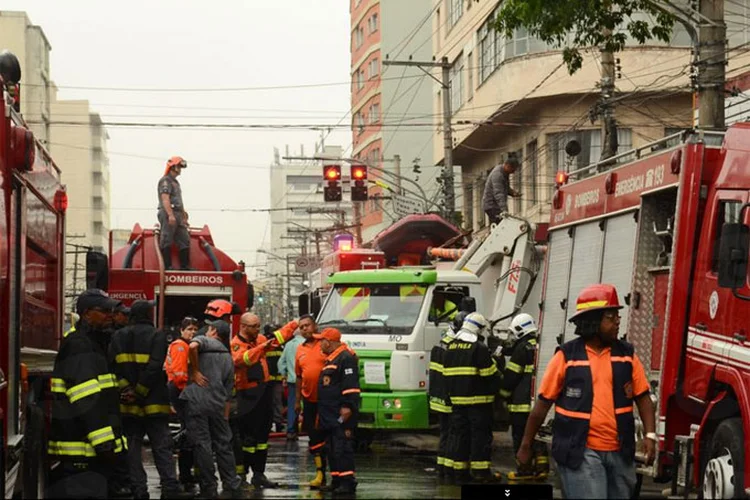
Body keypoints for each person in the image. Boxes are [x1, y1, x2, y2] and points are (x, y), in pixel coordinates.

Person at [516, 284, 656, 499]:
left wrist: (650, 435)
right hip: (580, 452)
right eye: (611, 317)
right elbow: (542, 406)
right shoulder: (566, 357)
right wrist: (526, 445)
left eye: (617, 316)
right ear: (593, 322)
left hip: (620, 453)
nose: (618, 321)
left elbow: (644, 398)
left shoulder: (627, 355)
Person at [48, 289, 129, 499]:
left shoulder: (93, 344)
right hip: (83, 455)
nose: (110, 315)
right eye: (103, 310)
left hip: (88, 454)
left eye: (111, 310)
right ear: (85, 314)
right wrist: (105, 446)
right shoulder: (80, 346)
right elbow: (87, 399)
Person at [108, 300, 190, 500]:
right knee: (162, 447)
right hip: (153, 401)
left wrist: (128, 389)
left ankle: (139, 489)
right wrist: (141, 391)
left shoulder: (118, 336)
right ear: (148, 314)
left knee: (132, 448)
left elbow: (112, 367)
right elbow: (154, 367)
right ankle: (170, 487)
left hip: (128, 404)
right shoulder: (157, 335)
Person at [231, 313, 299, 489]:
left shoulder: (259, 339)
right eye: (254, 326)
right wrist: (261, 348)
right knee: (247, 439)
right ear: (244, 326)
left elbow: (277, 338)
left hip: (264, 392)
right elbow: (242, 360)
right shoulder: (236, 344)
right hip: (247, 395)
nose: (258, 330)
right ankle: (242, 475)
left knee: (262, 438)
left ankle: (259, 475)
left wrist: (294, 324)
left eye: (259, 326)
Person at [181, 320, 242, 499]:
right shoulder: (228, 356)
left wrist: (195, 371)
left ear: (213, 331)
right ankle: (231, 483)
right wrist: (225, 416)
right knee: (224, 444)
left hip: (197, 403)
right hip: (217, 406)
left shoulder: (205, 340)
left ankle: (209, 487)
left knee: (203, 445)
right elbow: (229, 390)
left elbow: (192, 347)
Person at [443, 312, 502, 483]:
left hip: (457, 405)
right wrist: (497, 363)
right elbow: (489, 375)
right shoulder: (479, 348)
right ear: (478, 329)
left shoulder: (451, 347)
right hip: (479, 404)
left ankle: (460, 472)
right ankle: (480, 473)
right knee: (480, 438)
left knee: (461, 437)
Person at [500, 313, 548, 481]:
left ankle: (524, 470)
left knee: (520, 438)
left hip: (520, 405)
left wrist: (502, 394)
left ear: (520, 330)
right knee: (536, 436)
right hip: (537, 404)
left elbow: (511, 377)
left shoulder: (522, 349)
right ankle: (541, 468)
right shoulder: (539, 345)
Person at [315, 328, 360, 495]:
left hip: (340, 413)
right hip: (329, 413)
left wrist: (347, 407)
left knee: (343, 446)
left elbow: (350, 386)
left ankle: (347, 481)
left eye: (322, 340)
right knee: (332, 447)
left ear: (329, 341)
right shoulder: (332, 359)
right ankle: (336, 479)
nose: (320, 343)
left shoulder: (345, 358)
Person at [294, 314, 329, 489]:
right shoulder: (299, 350)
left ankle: (337, 475)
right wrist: (297, 402)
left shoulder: (325, 344)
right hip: (309, 401)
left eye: (307, 325)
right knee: (314, 438)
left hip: (327, 402)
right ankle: (320, 473)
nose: (304, 329)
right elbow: (299, 377)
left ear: (314, 326)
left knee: (330, 437)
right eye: (301, 327)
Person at [165, 317, 199, 491]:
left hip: (179, 391)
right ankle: (185, 473)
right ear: (181, 330)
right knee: (188, 432)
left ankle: (186, 472)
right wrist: (189, 390)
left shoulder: (184, 345)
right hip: (181, 391)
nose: (192, 332)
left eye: (195, 329)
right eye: (189, 329)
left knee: (189, 431)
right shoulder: (181, 346)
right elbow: (179, 375)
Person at [428, 324, 459, 481]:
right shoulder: (452, 348)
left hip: (437, 400)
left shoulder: (438, 346)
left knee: (444, 433)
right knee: (453, 434)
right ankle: (448, 468)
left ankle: (441, 466)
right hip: (449, 400)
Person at [157, 155, 191, 270]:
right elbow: (165, 198)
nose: (180, 169)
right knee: (167, 238)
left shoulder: (175, 182)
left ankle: (185, 266)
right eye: (179, 166)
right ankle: (167, 266)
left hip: (177, 214)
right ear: (173, 166)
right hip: (168, 212)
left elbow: (178, 201)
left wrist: (183, 215)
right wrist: (170, 215)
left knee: (184, 238)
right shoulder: (165, 181)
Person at [278, 326, 306, 440]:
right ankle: (309, 428)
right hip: (306, 380)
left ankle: (291, 431)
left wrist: (284, 375)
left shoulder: (289, 345)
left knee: (292, 405)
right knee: (309, 405)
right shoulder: (306, 344)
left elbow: (281, 363)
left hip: (292, 381)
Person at [482, 156, 521, 225]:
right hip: (492, 205)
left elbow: (505, 187)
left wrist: (512, 193)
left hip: (496, 205)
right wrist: (504, 210)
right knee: (500, 225)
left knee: (500, 224)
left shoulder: (504, 173)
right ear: (508, 166)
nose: (513, 172)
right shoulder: (498, 175)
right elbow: (498, 193)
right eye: (513, 170)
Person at [263, 324, 285, 433]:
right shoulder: (265, 344)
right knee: (273, 402)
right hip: (269, 379)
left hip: (275, 379)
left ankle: (277, 423)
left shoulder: (281, 345)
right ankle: (272, 423)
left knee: (275, 401)